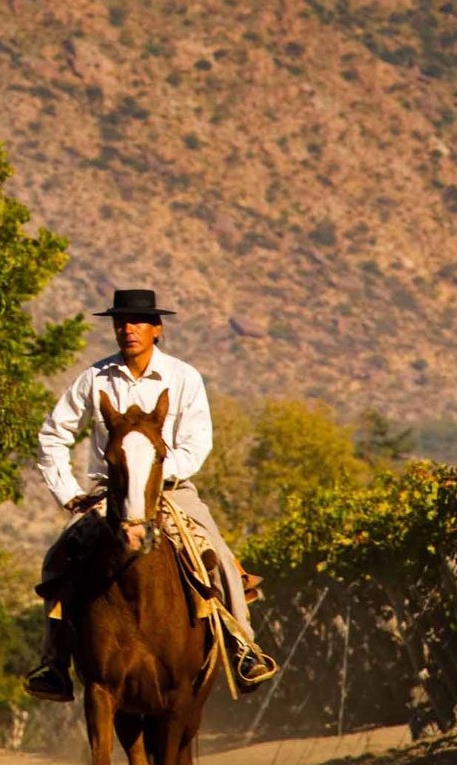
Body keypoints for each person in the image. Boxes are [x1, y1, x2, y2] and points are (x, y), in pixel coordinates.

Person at [22, 288, 279, 700]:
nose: (128, 329)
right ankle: (54, 662)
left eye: (138, 321)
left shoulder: (183, 377)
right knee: (59, 557)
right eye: (120, 321)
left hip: (173, 490)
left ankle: (243, 647)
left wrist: (155, 477)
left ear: (157, 329)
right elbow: (54, 434)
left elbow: (197, 443)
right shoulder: (94, 378)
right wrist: (69, 493)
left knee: (217, 557)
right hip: (109, 493)